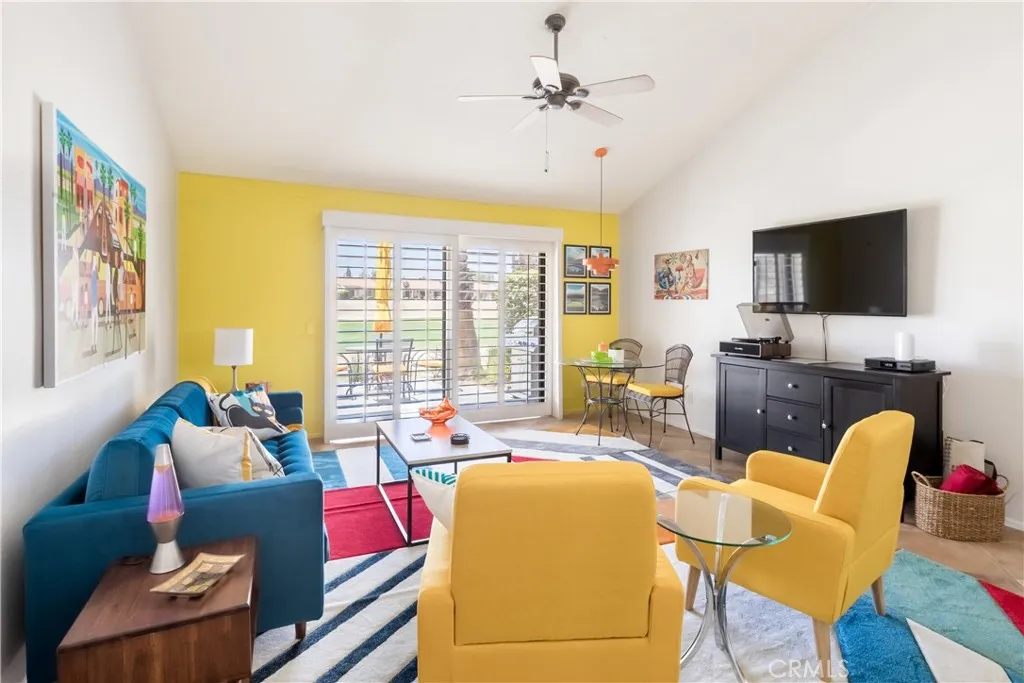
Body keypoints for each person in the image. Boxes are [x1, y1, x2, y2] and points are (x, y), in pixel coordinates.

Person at [89, 255, 99, 354]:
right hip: (94, 303)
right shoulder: (93, 274)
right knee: (94, 324)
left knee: (95, 324)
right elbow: (92, 289)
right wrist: (93, 304)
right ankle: (93, 345)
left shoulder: (94, 274)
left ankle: (94, 344)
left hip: (95, 302)